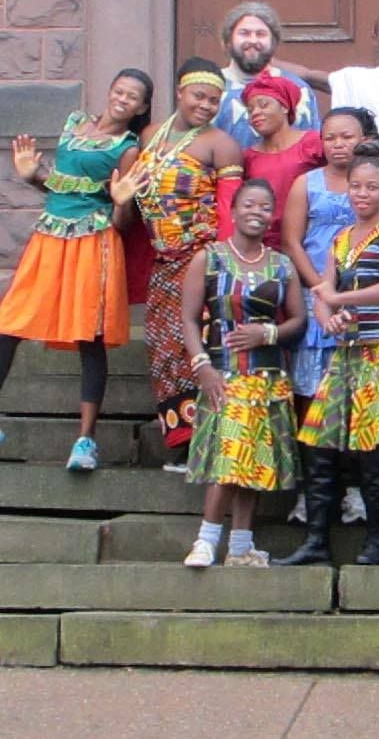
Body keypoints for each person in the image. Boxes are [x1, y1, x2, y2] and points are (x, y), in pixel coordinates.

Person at [279, 139, 379, 567]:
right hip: (347, 353)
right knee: (320, 442)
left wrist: (340, 301)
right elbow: (324, 292)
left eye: (371, 187)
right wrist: (327, 316)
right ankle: (316, 540)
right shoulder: (342, 238)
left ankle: (376, 542)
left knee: (372, 448)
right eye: (356, 187)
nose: (362, 194)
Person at [0, 69, 153, 471]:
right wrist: (33, 176)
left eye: (132, 96)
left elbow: (123, 223)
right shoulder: (74, 123)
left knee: (90, 335)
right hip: (49, 238)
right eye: (119, 90)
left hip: (94, 241)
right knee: (8, 324)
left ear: (142, 107)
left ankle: (85, 441)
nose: (122, 99)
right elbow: (59, 186)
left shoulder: (128, 149)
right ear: (109, 91)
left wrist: (122, 201)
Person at [282, 9, 379, 347]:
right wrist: (264, 59)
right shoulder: (339, 237)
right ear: (375, 37)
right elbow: (308, 75)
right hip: (341, 325)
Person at [114, 58, 243, 459]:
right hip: (162, 261)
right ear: (180, 92)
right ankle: (181, 443)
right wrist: (120, 202)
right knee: (164, 350)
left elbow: (228, 212)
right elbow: (129, 205)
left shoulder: (221, 144)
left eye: (214, 100)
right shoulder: (149, 135)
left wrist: (223, 268)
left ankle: (211, 440)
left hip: (200, 260)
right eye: (198, 96)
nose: (205, 105)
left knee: (199, 346)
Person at [180, 178, 306, 567]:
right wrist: (202, 366)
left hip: (268, 378)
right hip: (225, 375)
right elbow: (188, 319)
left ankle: (240, 546)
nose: (257, 212)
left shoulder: (281, 264)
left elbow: (298, 320)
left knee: (254, 464)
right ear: (233, 211)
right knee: (230, 458)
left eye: (265, 207)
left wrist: (268, 333)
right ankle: (205, 541)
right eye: (249, 205)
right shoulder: (209, 258)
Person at [281, 105, 379, 526]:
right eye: (330, 137)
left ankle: (355, 491)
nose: (338, 145)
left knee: (357, 400)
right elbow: (292, 240)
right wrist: (321, 289)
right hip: (316, 301)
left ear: (364, 139)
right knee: (312, 400)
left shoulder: (374, 184)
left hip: (361, 302)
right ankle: (312, 494)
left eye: (347, 136)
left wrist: (347, 295)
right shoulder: (306, 184)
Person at [215, 1, 319, 147]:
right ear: (227, 41)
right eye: (244, 33)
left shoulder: (299, 90)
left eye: (261, 34)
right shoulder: (212, 88)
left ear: (273, 42)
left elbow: (313, 147)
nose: (253, 40)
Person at [240, 70, 324, 245]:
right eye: (250, 110)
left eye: (263, 105)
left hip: (312, 243)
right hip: (265, 248)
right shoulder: (248, 157)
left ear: (285, 107)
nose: (255, 113)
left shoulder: (313, 143)